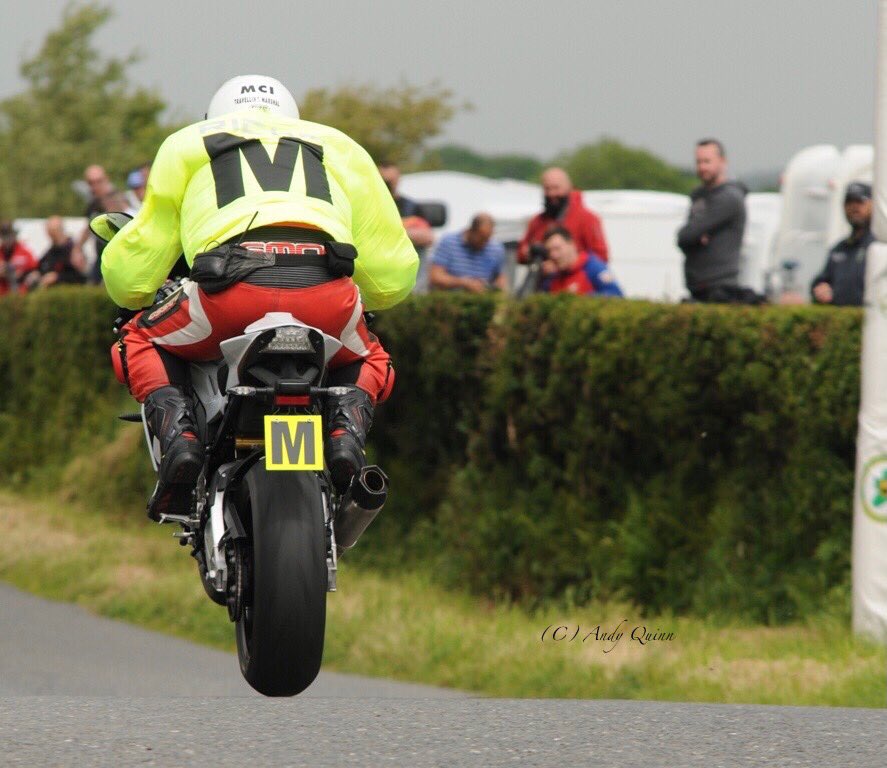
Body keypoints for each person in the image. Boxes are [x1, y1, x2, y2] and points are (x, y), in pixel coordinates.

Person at [100, 74, 418, 519]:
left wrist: (130, 285)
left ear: (215, 117)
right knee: (371, 357)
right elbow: (392, 274)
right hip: (326, 293)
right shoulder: (340, 146)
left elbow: (134, 273)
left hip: (228, 293)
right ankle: (345, 431)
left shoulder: (189, 143)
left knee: (139, 339)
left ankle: (181, 440)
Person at [676, 139, 748, 302]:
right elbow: (684, 238)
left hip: (720, 288)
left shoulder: (728, 198)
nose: (702, 167)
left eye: (707, 161)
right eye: (698, 162)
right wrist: (695, 236)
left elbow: (687, 235)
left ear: (723, 162)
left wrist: (694, 235)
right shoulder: (699, 196)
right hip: (697, 287)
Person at [518, 167, 609, 264]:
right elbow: (521, 254)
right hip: (543, 278)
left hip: (575, 278)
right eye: (547, 189)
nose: (551, 193)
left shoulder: (587, 219)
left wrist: (564, 264)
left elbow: (601, 256)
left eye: (556, 188)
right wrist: (531, 254)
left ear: (568, 187)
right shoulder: (537, 221)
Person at [811, 181, 874, 307]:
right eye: (849, 202)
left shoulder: (879, 246)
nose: (854, 207)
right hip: (842, 322)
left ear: (873, 204)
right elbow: (821, 281)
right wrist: (820, 289)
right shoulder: (839, 249)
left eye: (860, 201)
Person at [429, 213, 506, 292]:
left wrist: (494, 287)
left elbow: (500, 278)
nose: (484, 243)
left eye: (487, 238)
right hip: (451, 298)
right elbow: (435, 277)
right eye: (481, 238)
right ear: (472, 230)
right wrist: (463, 282)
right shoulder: (448, 243)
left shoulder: (496, 249)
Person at [539, 226, 623, 297]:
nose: (554, 255)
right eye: (549, 251)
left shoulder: (593, 268)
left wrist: (581, 298)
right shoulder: (552, 278)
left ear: (571, 244)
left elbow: (616, 295)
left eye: (557, 249)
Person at [73, 165, 114, 285]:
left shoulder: (117, 201)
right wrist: (77, 249)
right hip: (102, 257)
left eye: (98, 182)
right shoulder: (93, 204)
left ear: (106, 179)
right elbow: (89, 226)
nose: (95, 187)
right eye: (91, 183)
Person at [23, 216, 86, 290]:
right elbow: (39, 268)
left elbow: (81, 277)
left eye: (53, 232)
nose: (51, 236)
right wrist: (36, 274)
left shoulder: (74, 251)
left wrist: (57, 277)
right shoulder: (50, 252)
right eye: (49, 233)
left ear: (61, 230)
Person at [0, 220, 38, 296]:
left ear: (14, 235)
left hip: (22, 294)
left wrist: (22, 274)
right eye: (4, 235)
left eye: (9, 235)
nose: (7, 239)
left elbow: (35, 270)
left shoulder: (25, 252)